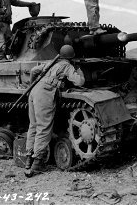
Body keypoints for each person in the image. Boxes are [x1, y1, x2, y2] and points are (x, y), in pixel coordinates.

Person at [25, 45, 85, 177]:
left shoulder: (51, 62)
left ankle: (28, 160)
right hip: (45, 93)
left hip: (34, 91)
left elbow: (34, 70)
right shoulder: (67, 66)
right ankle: (36, 165)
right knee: (44, 128)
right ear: (71, 56)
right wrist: (79, 71)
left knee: (33, 126)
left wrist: (32, 84)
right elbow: (80, 82)